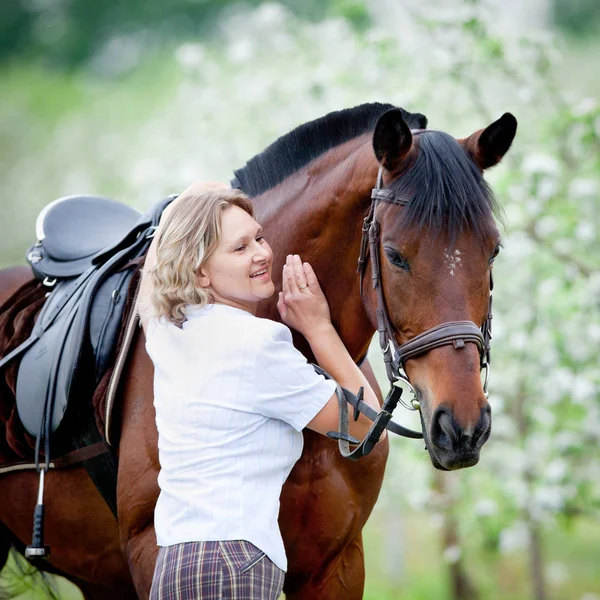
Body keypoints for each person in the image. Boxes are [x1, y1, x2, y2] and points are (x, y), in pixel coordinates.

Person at [138, 182, 384, 600]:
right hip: (236, 564)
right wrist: (318, 327)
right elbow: (365, 426)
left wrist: (194, 202)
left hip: (176, 564)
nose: (262, 253)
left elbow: (152, 281)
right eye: (240, 248)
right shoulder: (257, 344)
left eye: (260, 237)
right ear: (199, 271)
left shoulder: (166, 331)